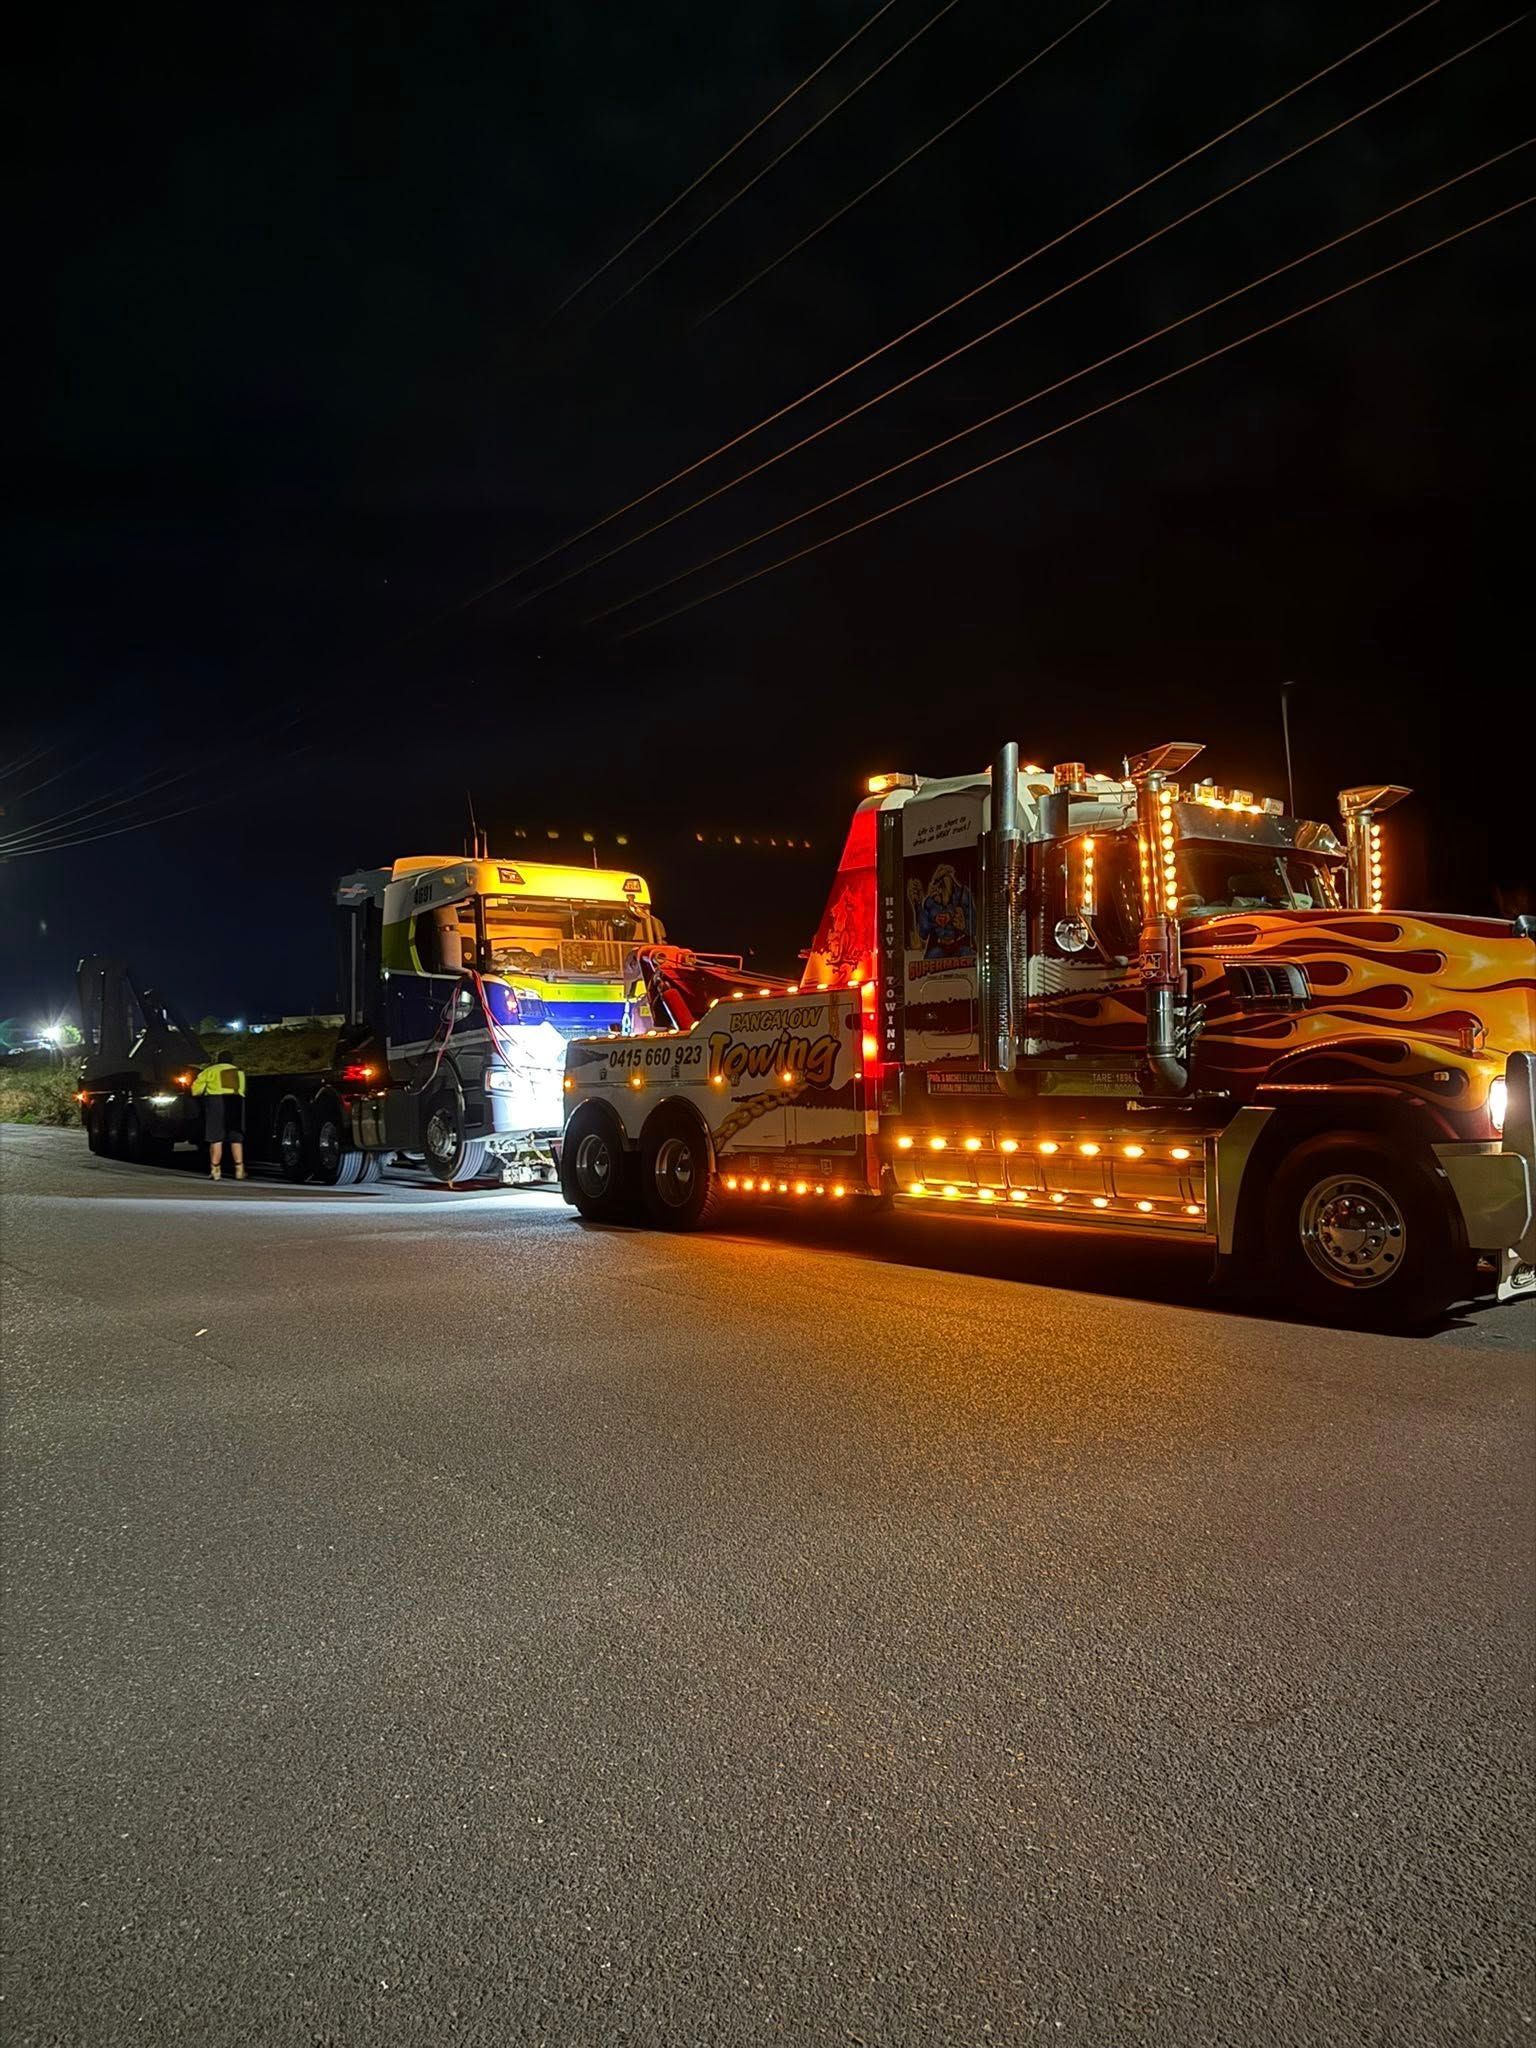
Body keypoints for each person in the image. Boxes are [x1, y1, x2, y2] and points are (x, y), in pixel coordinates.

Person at [192, 1054, 247, 1180]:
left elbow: (196, 1090)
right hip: (236, 1101)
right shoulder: (239, 1072)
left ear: (218, 1060)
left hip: (216, 1103)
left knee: (216, 1138)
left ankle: (215, 1170)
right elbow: (242, 1089)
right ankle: (239, 1169)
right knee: (236, 1137)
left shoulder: (210, 1071)